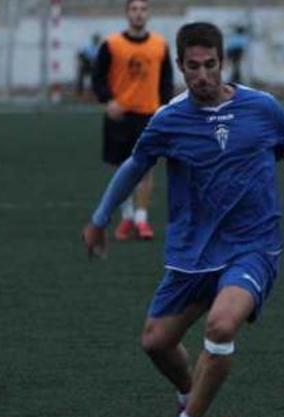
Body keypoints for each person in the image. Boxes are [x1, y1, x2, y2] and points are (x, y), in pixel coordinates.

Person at [81, 22, 284, 417]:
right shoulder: (168, 119)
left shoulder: (262, 108)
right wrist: (99, 218)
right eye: (192, 67)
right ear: (181, 68)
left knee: (221, 327)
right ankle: (190, 393)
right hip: (192, 251)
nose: (202, 75)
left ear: (223, 63)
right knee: (155, 342)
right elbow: (134, 166)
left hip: (253, 245)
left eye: (209, 65)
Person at [91, 0, 174, 241]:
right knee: (121, 168)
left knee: (147, 168)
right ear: (127, 14)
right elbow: (97, 77)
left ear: (148, 14)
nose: (138, 14)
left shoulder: (160, 45)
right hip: (120, 115)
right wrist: (108, 101)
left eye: (143, 9)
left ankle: (142, 218)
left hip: (149, 115)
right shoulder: (112, 44)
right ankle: (127, 217)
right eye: (134, 9)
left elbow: (166, 81)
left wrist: (164, 107)